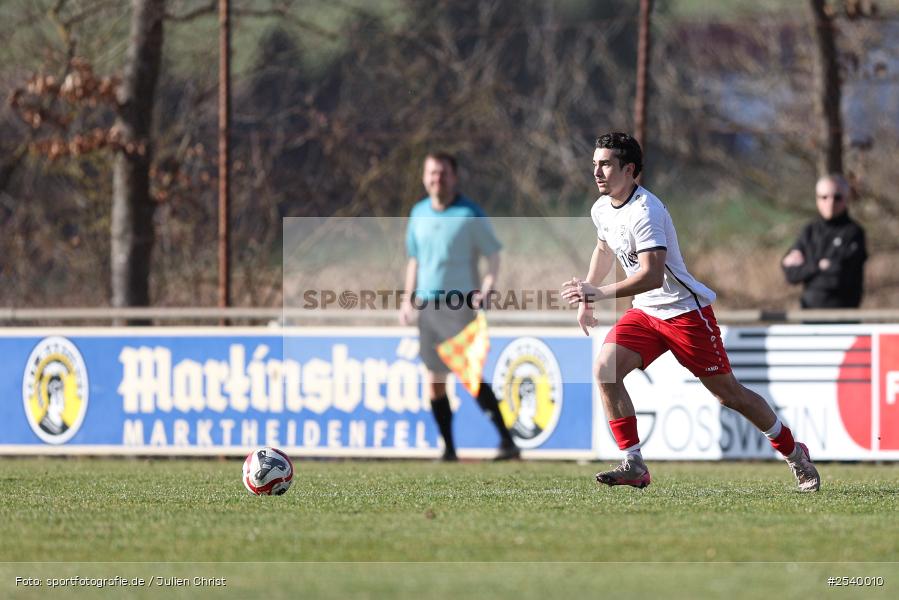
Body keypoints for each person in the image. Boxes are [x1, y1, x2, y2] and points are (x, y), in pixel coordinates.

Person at [561, 132, 819, 492]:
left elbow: (651, 275)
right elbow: (604, 248)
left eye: (604, 164)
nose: (597, 172)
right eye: (594, 164)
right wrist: (588, 295)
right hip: (647, 314)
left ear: (629, 169)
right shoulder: (601, 208)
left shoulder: (646, 210)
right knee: (605, 368)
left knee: (730, 395)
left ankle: (794, 453)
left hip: (685, 314)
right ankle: (634, 462)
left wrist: (598, 293)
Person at [400, 151, 519, 462]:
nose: (436, 178)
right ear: (424, 178)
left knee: (470, 375)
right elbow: (414, 259)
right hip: (428, 307)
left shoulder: (470, 214)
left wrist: (488, 288)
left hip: (460, 304)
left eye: (442, 173)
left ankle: (507, 443)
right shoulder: (418, 213)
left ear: (454, 177)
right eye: (431, 173)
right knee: (434, 380)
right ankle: (449, 449)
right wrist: (407, 298)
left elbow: (493, 255)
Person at [781, 174, 867, 308]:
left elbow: (840, 276)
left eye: (837, 197)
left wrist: (808, 269)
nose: (830, 202)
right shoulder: (809, 231)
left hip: (842, 317)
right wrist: (820, 265)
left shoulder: (853, 232)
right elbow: (791, 274)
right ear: (817, 199)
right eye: (824, 197)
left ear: (846, 199)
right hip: (809, 316)